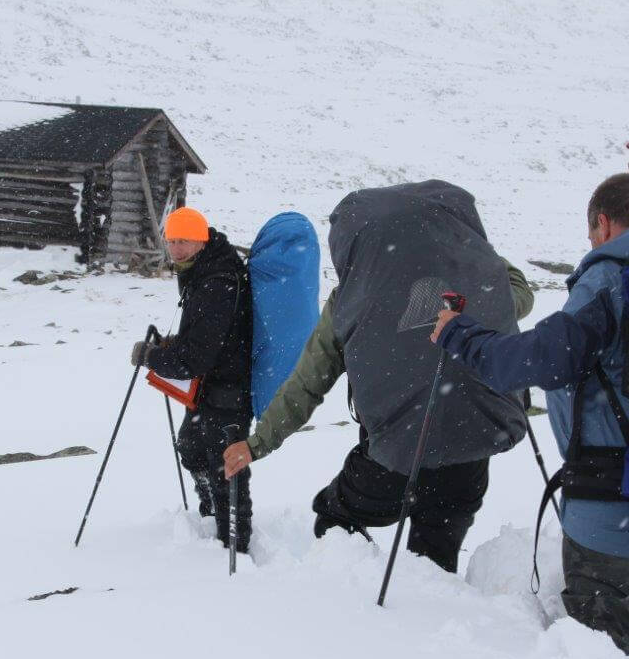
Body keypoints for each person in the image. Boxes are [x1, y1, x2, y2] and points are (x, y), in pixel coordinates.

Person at [429, 161, 629, 659]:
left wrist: (457, 332)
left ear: (604, 224)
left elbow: (534, 360)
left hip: (610, 505)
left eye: (592, 232)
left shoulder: (610, 281)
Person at [223, 180, 535, 575]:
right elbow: (519, 295)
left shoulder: (353, 301)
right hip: (470, 444)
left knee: (335, 518)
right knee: (435, 563)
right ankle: (421, 626)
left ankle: (359, 617)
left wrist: (258, 443)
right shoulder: (480, 287)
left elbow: (308, 382)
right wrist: (479, 255)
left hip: (393, 454)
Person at [132, 207, 253, 553]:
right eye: (171, 241)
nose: (176, 249)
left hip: (228, 388)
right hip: (212, 387)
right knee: (190, 444)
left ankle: (235, 548)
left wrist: (152, 357)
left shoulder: (217, 283)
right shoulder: (203, 271)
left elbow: (195, 357)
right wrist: (170, 347)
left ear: (201, 240)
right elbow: (201, 340)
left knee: (226, 467)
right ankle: (212, 511)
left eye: (183, 241)